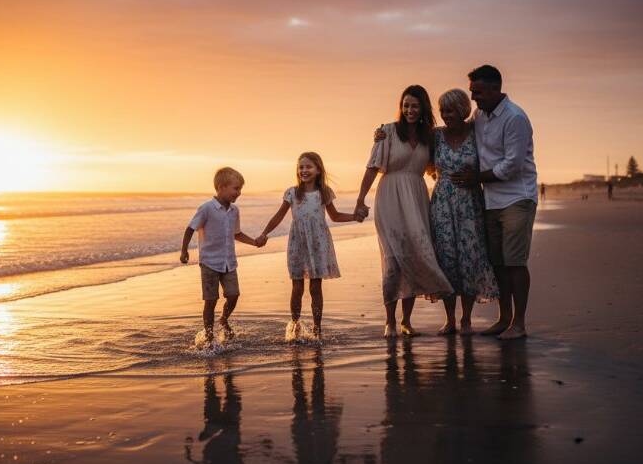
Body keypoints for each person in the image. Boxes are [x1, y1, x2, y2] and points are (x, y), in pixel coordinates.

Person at [355, 85, 454, 338]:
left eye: (415, 106)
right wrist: (360, 199)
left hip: (417, 198)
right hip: (389, 198)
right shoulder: (387, 132)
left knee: (413, 255)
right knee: (392, 262)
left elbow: (439, 163)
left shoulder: (429, 137)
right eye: (405, 105)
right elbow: (372, 168)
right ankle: (389, 321)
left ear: (423, 109)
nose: (409, 110)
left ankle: (406, 321)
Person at [451, 65, 538, 340]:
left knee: (515, 262)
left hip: (517, 197)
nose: (473, 97)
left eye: (477, 92)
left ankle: (520, 324)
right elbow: (455, 129)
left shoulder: (515, 118)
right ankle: (504, 318)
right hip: (490, 200)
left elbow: (511, 166)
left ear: (493, 89)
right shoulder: (480, 115)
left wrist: (475, 177)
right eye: (472, 91)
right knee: (497, 262)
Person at [257, 152, 361, 340]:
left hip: (318, 242)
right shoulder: (292, 192)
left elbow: (335, 216)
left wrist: (355, 216)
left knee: (315, 287)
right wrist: (264, 233)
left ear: (318, 170)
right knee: (297, 287)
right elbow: (279, 215)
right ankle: (295, 326)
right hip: (298, 242)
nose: (304, 170)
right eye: (301, 167)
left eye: (308, 167)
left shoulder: (324, 192)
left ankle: (317, 328)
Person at [429, 89, 500, 335]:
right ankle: (450, 319)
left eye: (449, 111)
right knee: (447, 258)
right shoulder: (435, 136)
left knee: (470, 258)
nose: (445, 116)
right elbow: (408, 137)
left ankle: (466, 319)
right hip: (442, 205)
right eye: (442, 111)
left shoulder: (475, 132)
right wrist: (382, 133)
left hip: (470, 202)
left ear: (462, 110)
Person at [181, 167, 264, 345]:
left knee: (233, 296)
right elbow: (190, 228)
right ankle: (209, 335)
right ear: (221, 187)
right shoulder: (206, 209)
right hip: (209, 262)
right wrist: (184, 250)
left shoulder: (234, 211)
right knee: (210, 300)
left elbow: (237, 233)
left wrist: (254, 242)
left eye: (240, 189)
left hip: (229, 262)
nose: (239, 193)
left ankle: (224, 319)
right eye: (236, 188)